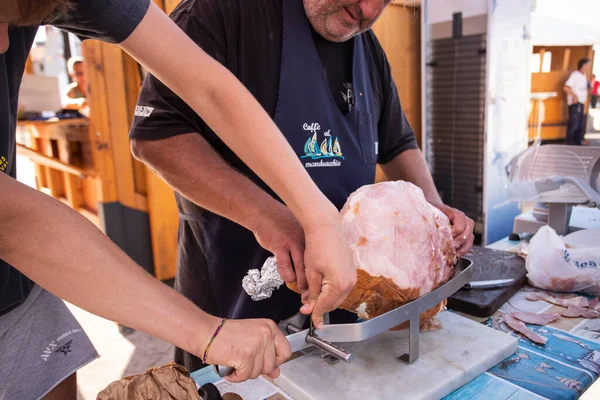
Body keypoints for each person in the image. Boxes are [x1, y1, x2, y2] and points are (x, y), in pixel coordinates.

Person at [1, 0, 363, 397]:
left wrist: (318, 218)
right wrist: (206, 332)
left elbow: (208, 87)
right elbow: (14, 223)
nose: (6, 45)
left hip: (22, 295)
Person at [130, 0, 476, 372]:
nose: (370, 9)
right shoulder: (220, 12)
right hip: (234, 303)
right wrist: (270, 217)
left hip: (342, 317)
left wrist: (431, 211)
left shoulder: (367, 48)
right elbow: (158, 137)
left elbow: (396, 143)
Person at [564, 58, 591, 145]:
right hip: (575, 103)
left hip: (582, 102)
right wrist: (574, 95)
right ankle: (570, 143)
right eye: (588, 65)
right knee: (574, 124)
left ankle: (578, 142)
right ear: (583, 65)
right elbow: (566, 87)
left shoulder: (584, 75)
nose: (589, 67)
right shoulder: (575, 75)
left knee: (580, 124)